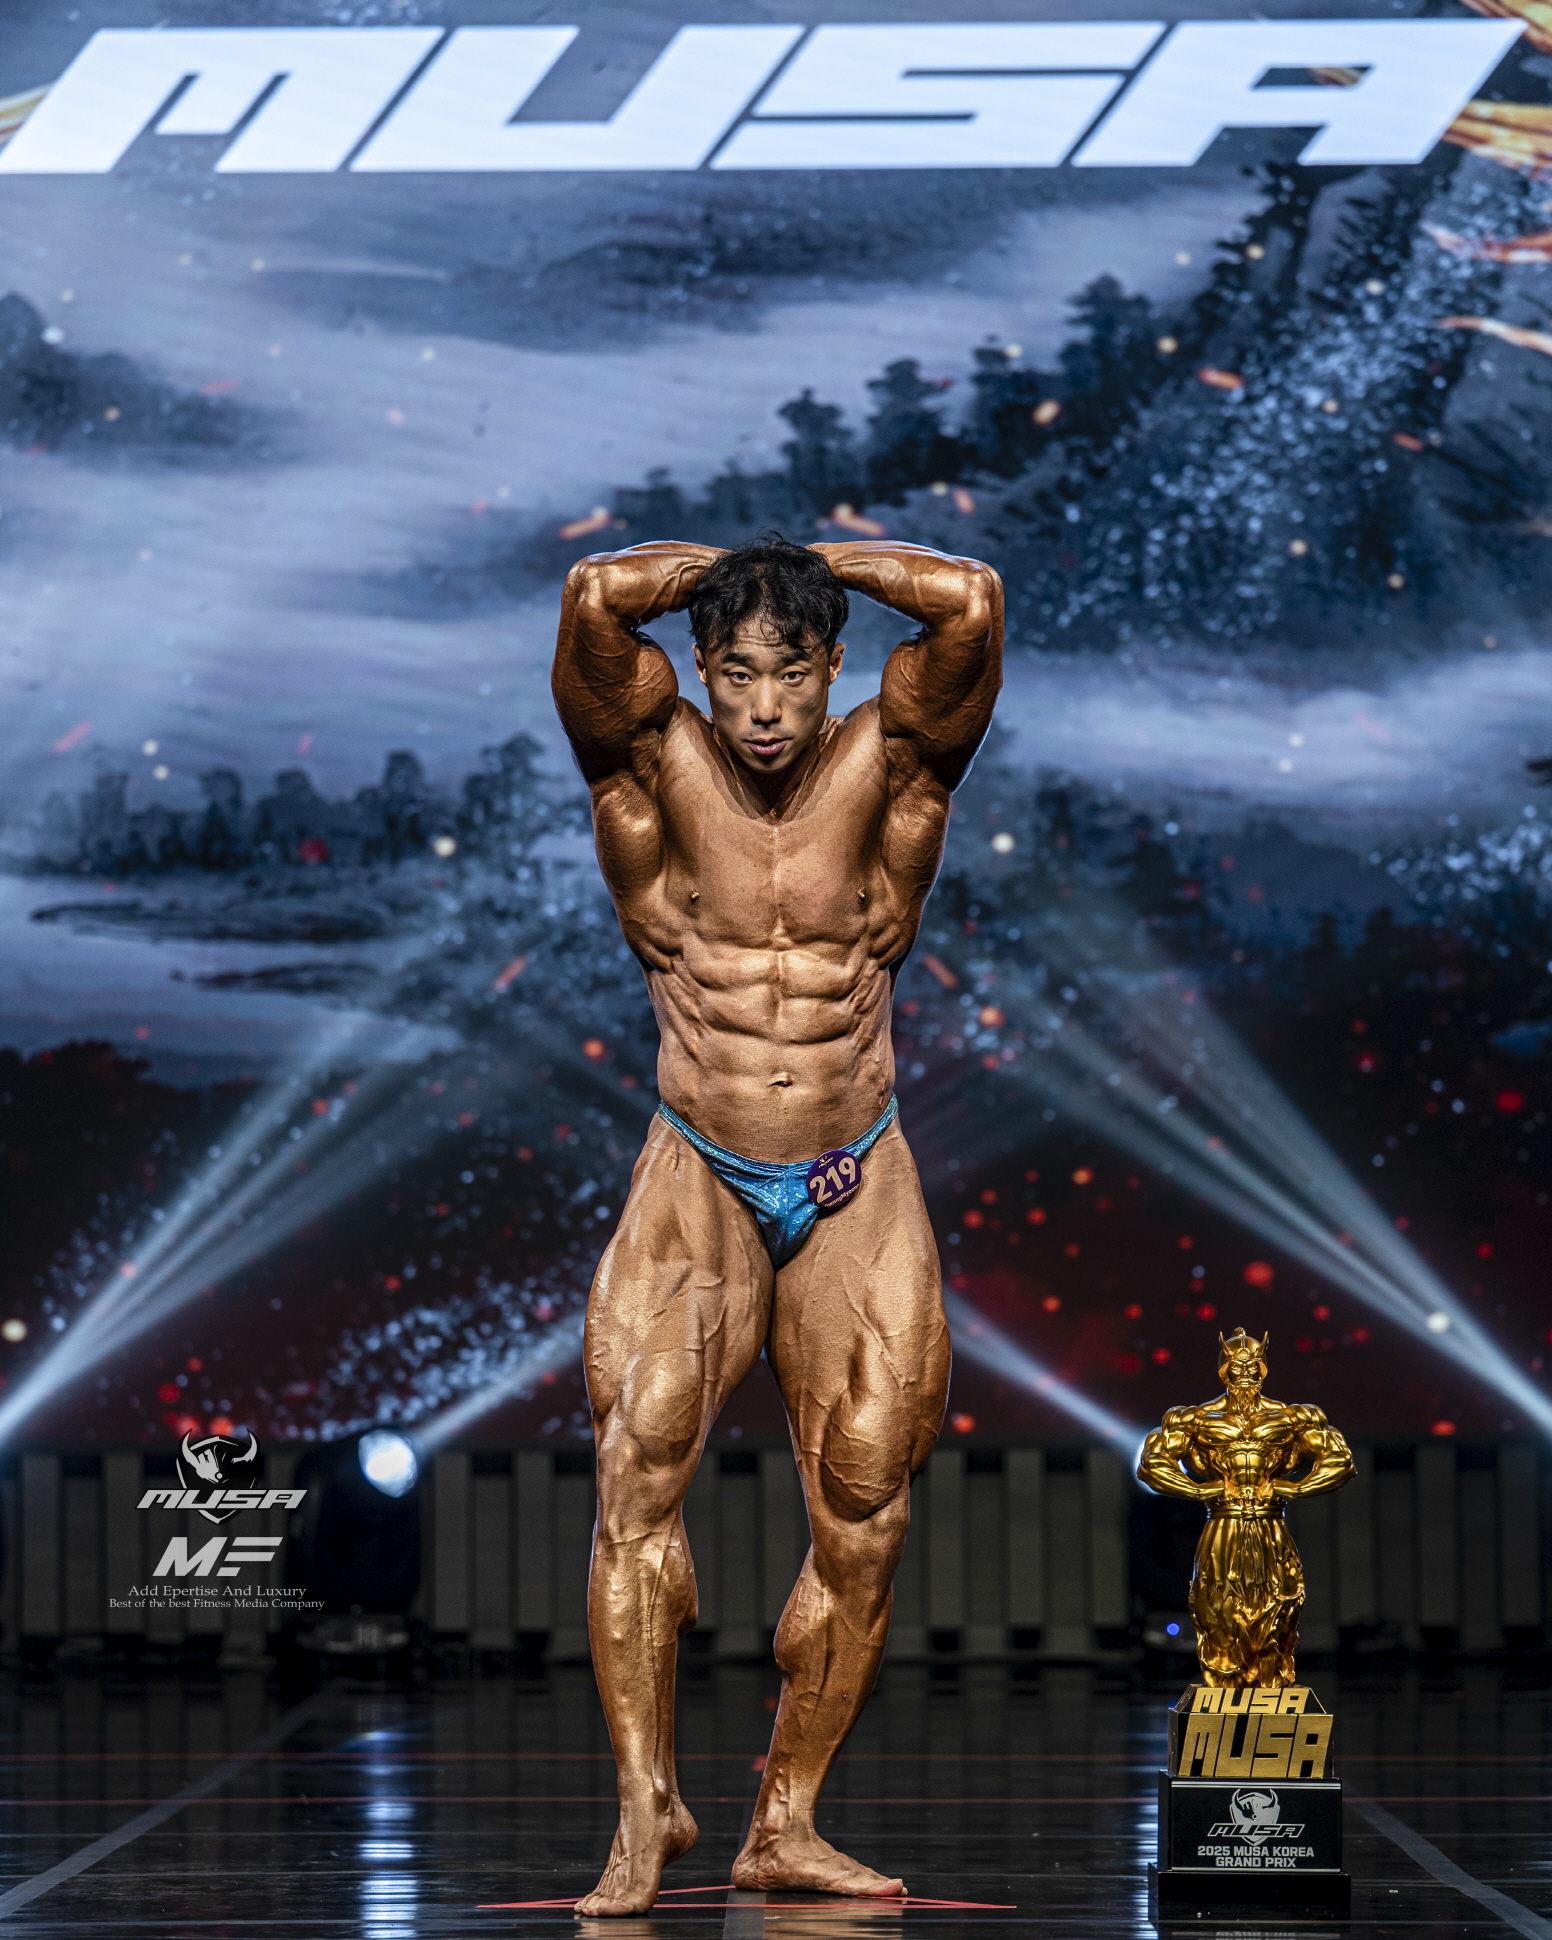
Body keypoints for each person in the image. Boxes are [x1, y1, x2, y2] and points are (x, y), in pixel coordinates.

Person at [551, 532, 1002, 1916]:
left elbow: (970, 600)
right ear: (699, 666)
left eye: (791, 673)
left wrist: (816, 562)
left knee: (865, 1504)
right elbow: (593, 597)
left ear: (833, 667)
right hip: (699, 1164)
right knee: (637, 1473)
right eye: (736, 671)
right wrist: (733, 570)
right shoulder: (648, 763)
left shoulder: (895, 763)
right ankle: (645, 1811)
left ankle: (785, 1821)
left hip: (855, 1170)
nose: (761, 706)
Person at [1136, 1329, 1354, 1687]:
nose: (1245, 1375)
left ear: (1263, 1368)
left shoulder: (1293, 1417)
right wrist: (1198, 1490)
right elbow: (1152, 1464)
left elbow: (1340, 1461)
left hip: (1270, 1523)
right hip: (1223, 1523)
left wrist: (1296, 1488)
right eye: (1236, 1368)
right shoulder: (1194, 1419)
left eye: (1252, 1367)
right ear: (1224, 1369)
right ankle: (1225, 1684)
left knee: (1280, 1605)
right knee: (1216, 1607)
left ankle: (1270, 1683)